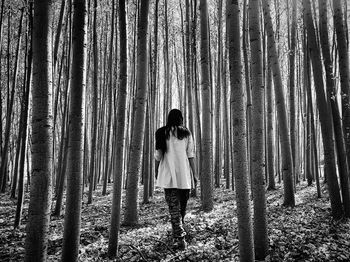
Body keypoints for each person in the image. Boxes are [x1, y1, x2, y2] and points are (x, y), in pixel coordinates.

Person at [154, 109, 197, 250]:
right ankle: (180, 237)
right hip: (184, 176)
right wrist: (195, 175)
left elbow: (158, 155)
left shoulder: (161, 132)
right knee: (181, 209)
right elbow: (191, 155)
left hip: (169, 176)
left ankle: (179, 237)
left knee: (175, 209)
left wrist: (156, 170)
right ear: (180, 118)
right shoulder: (186, 133)